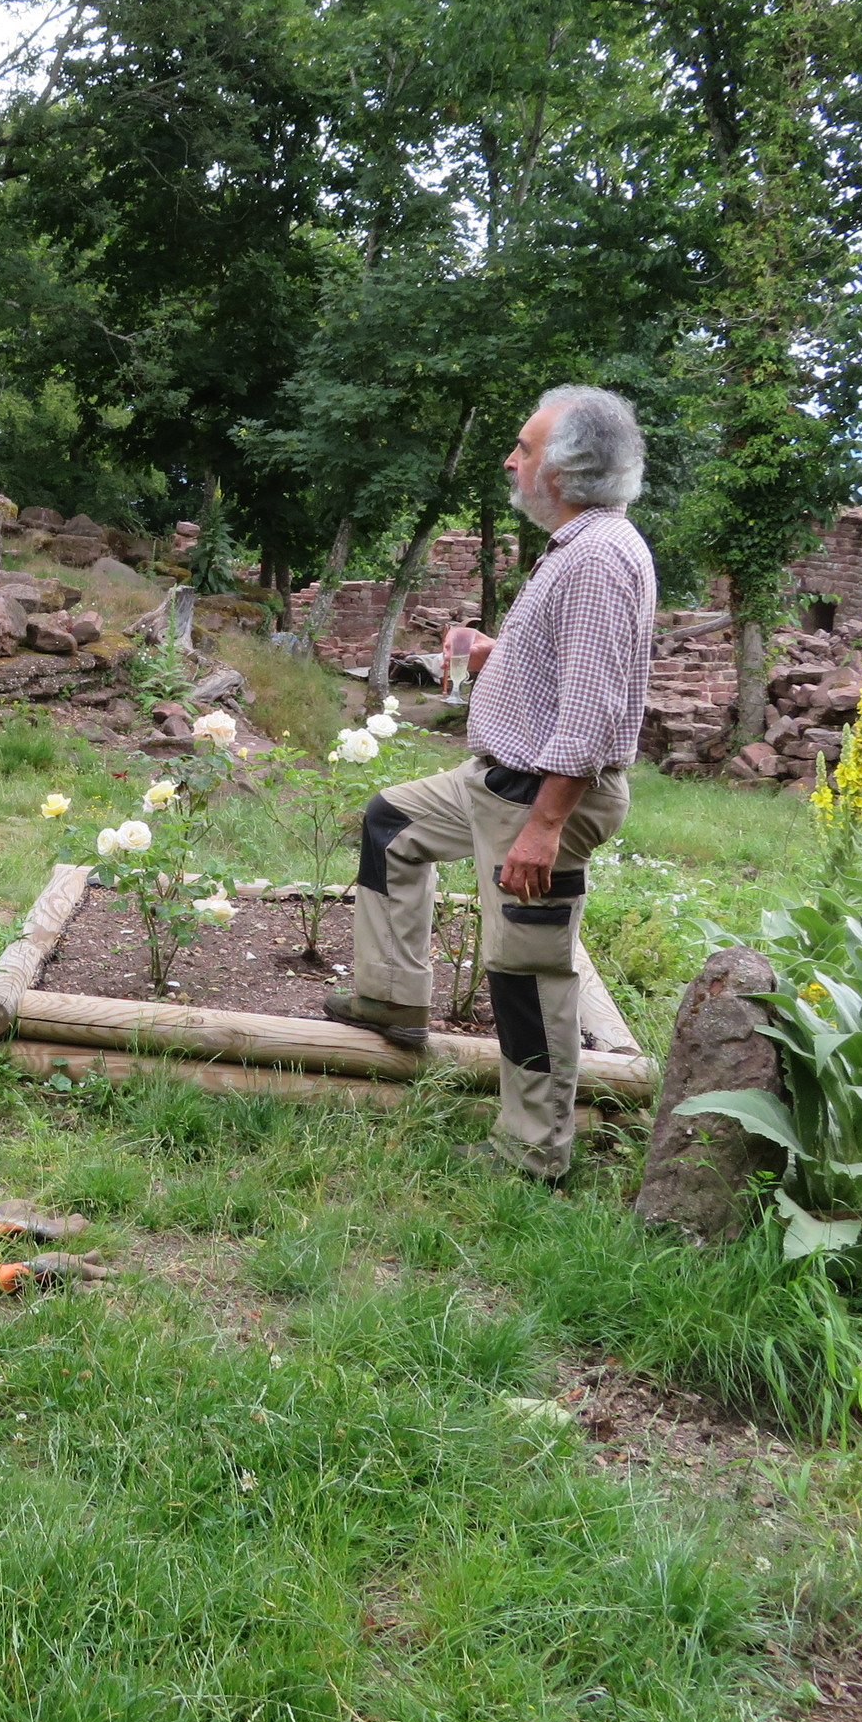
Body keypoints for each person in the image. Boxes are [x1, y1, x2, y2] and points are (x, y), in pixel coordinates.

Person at [325, 386, 656, 1183]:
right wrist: (492, 655)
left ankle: (534, 1151)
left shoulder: (598, 560)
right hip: (493, 784)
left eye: (525, 449)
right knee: (391, 824)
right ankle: (394, 999)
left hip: (539, 799)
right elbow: (566, 670)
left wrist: (544, 828)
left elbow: (594, 708)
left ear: (567, 470)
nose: (511, 461)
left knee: (526, 973)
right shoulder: (578, 546)